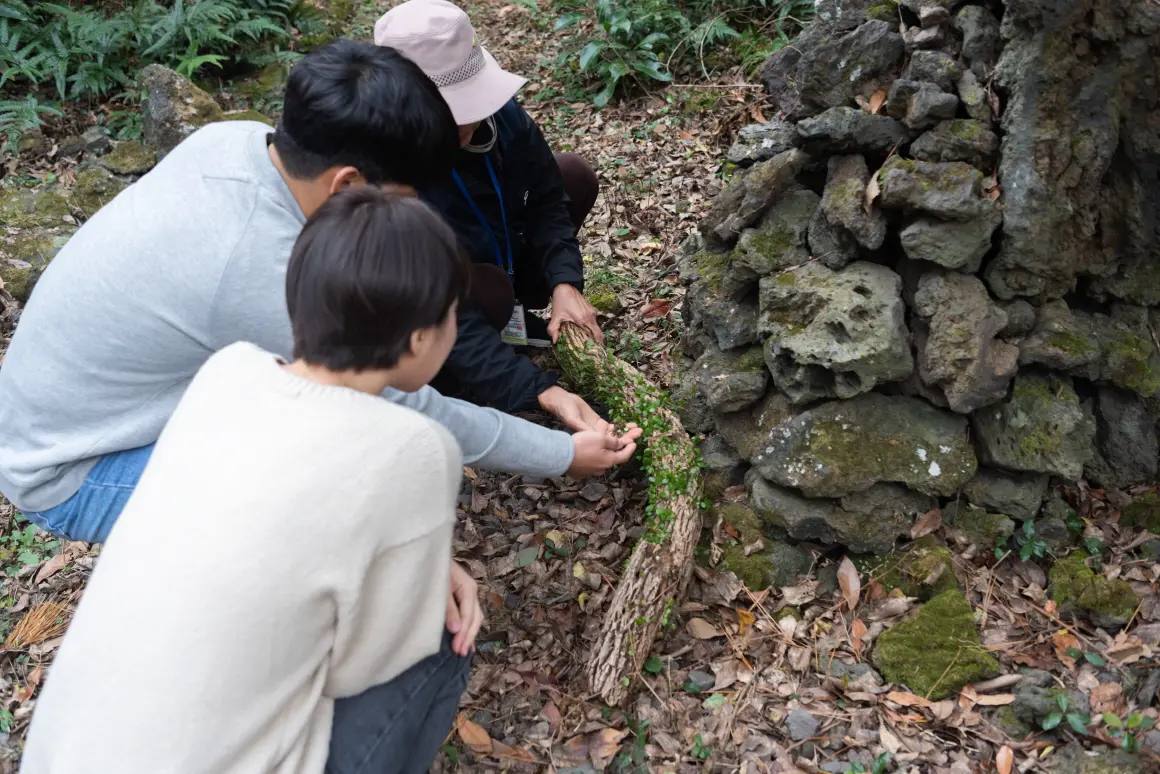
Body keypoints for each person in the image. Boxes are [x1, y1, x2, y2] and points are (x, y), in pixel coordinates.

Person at [0, 38, 641, 545]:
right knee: (354, 472)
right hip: (79, 467)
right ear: (348, 185)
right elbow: (395, 405)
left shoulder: (238, 141)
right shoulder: (262, 266)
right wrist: (559, 454)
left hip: (126, 402)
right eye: (401, 201)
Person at [21, 189, 488, 774]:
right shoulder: (419, 447)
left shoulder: (228, 371)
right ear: (420, 338)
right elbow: (358, 670)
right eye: (451, 314)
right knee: (442, 636)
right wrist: (417, 582)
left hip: (61, 755)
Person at [374, 0, 607, 428]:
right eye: (449, 116)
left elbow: (548, 200)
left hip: (500, 250)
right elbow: (437, 304)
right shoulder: (385, 175)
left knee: (573, 173)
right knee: (490, 290)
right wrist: (540, 391)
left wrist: (564, 282)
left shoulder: (504, 118)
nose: (468, 122)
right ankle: (452, 371)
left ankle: (512, 312)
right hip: (428, 299)